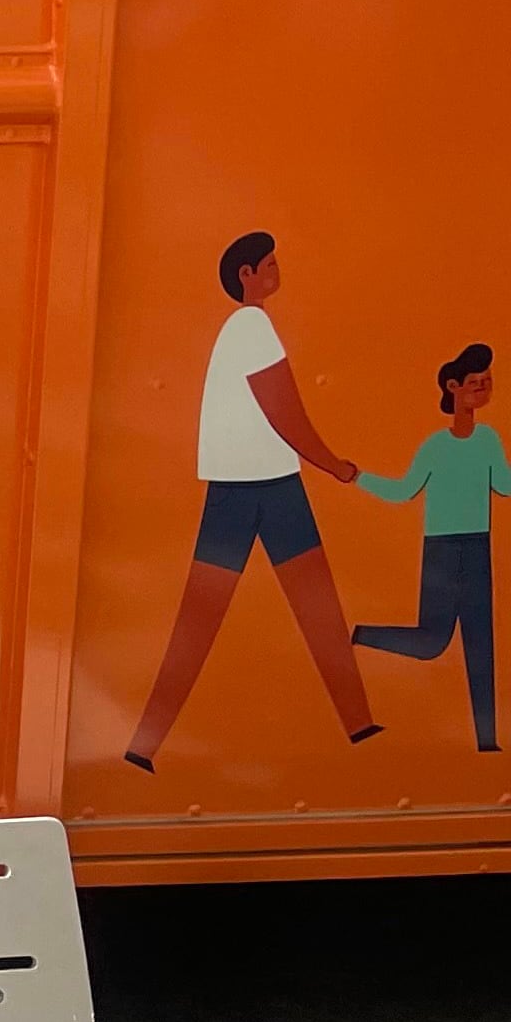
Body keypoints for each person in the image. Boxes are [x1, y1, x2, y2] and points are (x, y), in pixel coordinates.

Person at [124, 231, 383, 770]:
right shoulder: (251, 327)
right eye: (269, 263)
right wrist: (334, 465)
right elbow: (284, 412)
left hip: (256, 485)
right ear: (246, 274)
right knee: (222, 616)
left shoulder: (244, 329)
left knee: (307, 608)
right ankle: (143, 744)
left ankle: (359, 724)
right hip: (258, 490)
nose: (276, 270)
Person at [355, 342, 507, 751]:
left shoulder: (488, 439)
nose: (484, 389)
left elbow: (504, 486)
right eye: (476, 383)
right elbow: (404, 490)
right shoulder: (436, 447)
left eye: (488, 383)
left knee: (481, 645)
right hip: (441, 549)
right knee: (431, 641)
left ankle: (488, 741)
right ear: (454, 388)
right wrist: (357, 477)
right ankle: (358, 634)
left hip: (477, 547)